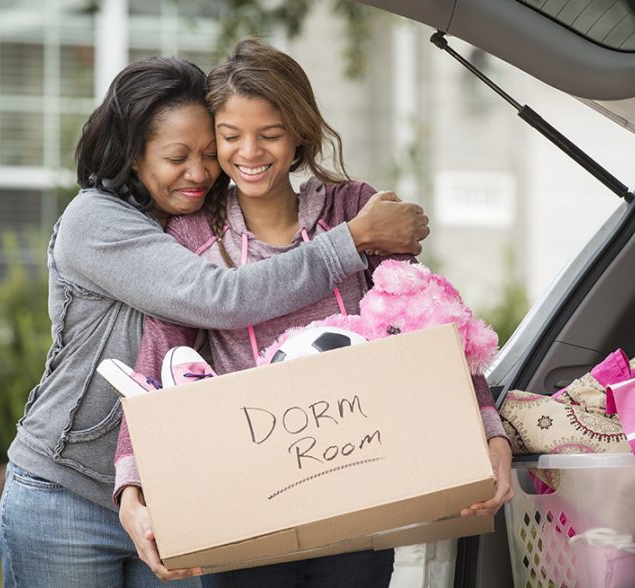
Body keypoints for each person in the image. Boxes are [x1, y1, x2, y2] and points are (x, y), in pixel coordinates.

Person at [0, 55, 429, 588]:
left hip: (173, 494)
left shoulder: (199, 220)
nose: (199, 172)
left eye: (207, 153)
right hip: (70, 494)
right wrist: (353, 239)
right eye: (177, 157)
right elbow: (219, 297)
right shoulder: (96, 221)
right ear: (132, 157)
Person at [113, 40, 514, 587]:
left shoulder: (352, 210)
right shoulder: (193, 235)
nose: (249, 152)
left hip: (362, 498)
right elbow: (156, 358)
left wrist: (490, 435)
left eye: (270, 135)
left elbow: (431, 321)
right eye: (230, 137)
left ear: (300, 131)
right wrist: (131, 491)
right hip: (247, 515)